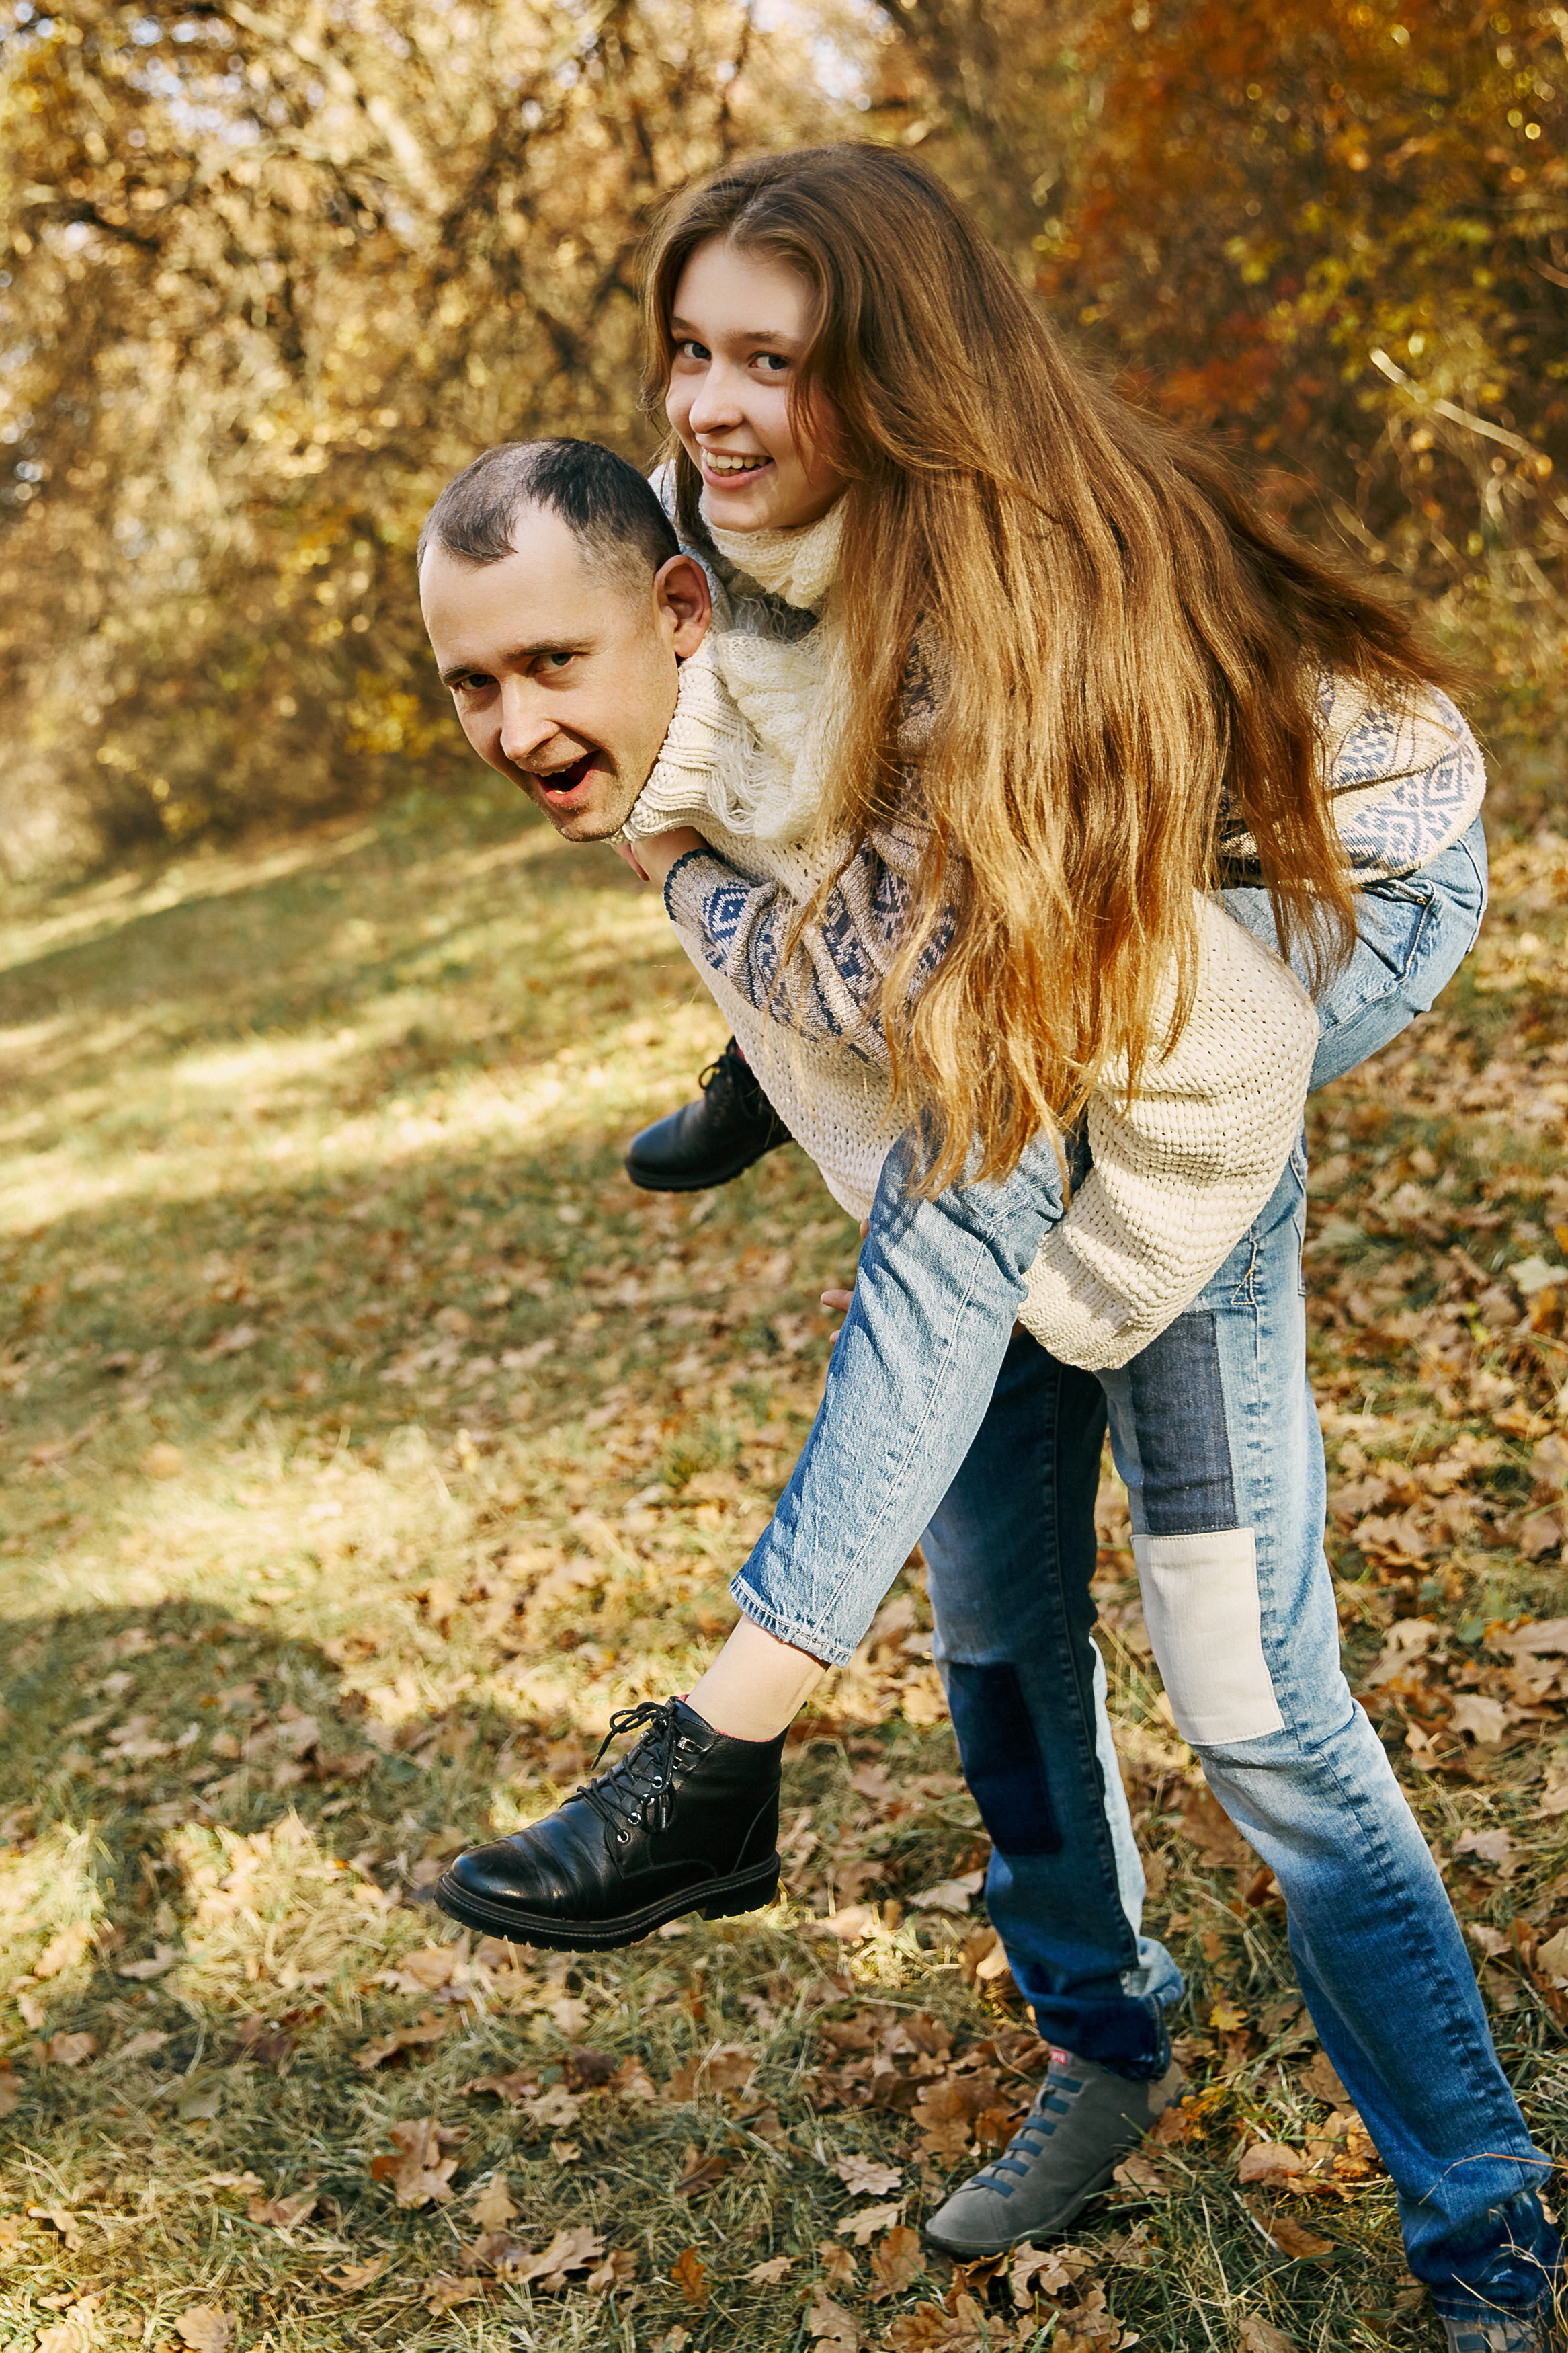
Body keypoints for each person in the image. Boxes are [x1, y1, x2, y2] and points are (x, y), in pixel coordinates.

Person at [421, 147, 1555, 2350]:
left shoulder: (1002, 624)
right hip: (1042, 936)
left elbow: (1070, 1014)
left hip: (1306, 905)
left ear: (900, 374)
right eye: (695, 349)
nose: (720, 405)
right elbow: (751, 786)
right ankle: (1101, 2045)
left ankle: (1489, 2222)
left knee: (1240, 1676)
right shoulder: (702, 524)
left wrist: (1086, 1266)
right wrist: (743, 957)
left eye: (779, 359)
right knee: (997, 1620)